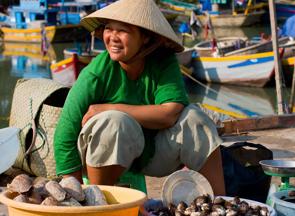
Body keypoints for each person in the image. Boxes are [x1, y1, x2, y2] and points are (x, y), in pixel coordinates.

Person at [53, 0, 226, 195]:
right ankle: (99, 202)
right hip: (103, 157)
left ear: (144, 37)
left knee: (196, 119)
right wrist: (77, 195)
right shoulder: (94, 74)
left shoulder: (163, 61)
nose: (113, 37)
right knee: (114, 122)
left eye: (123, 31)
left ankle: (219, 203)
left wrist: (109, 107)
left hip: (153, 152)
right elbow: (64, 136)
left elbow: (170, 113)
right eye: (109, 29)